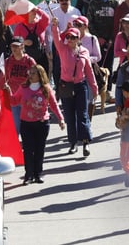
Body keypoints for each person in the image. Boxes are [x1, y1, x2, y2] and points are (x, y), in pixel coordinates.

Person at [6, 64, 65, 184]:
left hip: (42, 124)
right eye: (30, 73)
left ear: (40, 75)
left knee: (39, 149)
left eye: (33, 73)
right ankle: (29, 175)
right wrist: (8, 92)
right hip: (26, 123)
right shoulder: (23, 88)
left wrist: (61, 119)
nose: (30, 75)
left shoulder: (46, 89)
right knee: (28, 150)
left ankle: (38, 173)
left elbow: (54, 105)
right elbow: (14, 101)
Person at [52, 20, 98, 157]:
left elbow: (89, 71)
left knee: (82, 114)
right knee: (70, 117)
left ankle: (85, 142)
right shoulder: (63, 49)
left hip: (80, 86)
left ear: (79, 39)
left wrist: (94, 88)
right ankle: (73, 143)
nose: (70, 39)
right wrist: (56, 26)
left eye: (73, 37)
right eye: (68, 37)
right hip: (66, 86)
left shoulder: (84, 52)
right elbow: (56, 37)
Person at [87, 0, 119, 102]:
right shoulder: (93, 3)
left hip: (110, 40)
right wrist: (97, 37)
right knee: (97, 66)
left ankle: (108, 91)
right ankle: (96, 91)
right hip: (96, 40)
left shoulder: (114, 3)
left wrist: (111, 38)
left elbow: (117, 23)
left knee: (109, 66)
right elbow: (89, 22)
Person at [0, 37, 36, 134]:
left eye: (16, 46)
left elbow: (36, 78)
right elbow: (2, 79)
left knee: (27, 127)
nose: (14, 49)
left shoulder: (29, 61)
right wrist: (0, 93)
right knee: (16, 127)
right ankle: (18, 147)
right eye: (12, 46)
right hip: (13, 98)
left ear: (22, 46)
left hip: (27, 98)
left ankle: (27, 146)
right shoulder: (8, 62)